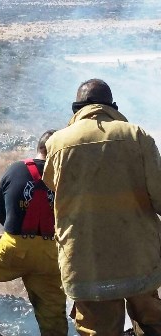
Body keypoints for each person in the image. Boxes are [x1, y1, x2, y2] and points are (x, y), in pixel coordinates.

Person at [42, 79, 161, 335]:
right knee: (152, 322)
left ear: (76, 108)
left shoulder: (56, 143)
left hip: (85, 262)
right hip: (138, 258)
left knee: (97, 329)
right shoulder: (137, 136)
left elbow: (53, 186)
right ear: (112, 106)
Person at [0, 130, 68, 336]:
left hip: (14, 246)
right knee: (52, 308)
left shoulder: (15, 169)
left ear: (39, 148)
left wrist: (16, 234)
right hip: (51, 252)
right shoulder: (64, 178)